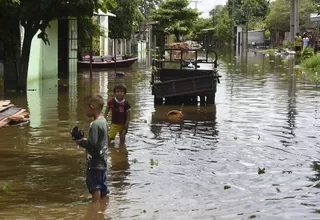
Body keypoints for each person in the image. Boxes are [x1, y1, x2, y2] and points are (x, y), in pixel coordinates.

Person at [75, 93, 109, 202]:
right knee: (102, 185)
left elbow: (92, 144)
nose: (84, 111)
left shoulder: (94, 125)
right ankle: (102, 209)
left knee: (95, 187)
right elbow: (100, 141)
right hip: (103, 160)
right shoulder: (103, 121)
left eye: (85, 108)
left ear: (91, 107)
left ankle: (95, 209)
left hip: (94, 162)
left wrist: (81, 142)